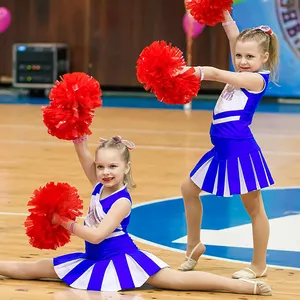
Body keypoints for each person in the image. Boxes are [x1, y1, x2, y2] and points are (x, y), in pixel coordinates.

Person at [0, 135, 271, 295]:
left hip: (122, 258)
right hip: (92, 259)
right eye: (101, 166)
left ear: (126, 168)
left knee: (175, 281)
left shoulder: (122, 201)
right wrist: (78, 139)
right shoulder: (99, 185)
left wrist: (65, 223)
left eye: (113, 167)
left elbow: (95, 235)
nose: (105, 172)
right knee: (36, 269)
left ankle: (245, 288)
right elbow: (83, 156)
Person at [178, 10, 279, 280]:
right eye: (239, 56)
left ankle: (259, 265)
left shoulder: (256, 80)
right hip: (221, 150)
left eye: (250, 57)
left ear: (264, 58)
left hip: (240, 150)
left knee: (255, 209)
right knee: (188, 189)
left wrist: (189, 72)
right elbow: (233, 37)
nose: (243, 61)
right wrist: (223, 12)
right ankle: (194, 244)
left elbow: (214, 73)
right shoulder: (244, 69)